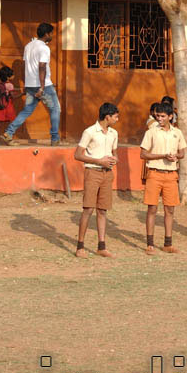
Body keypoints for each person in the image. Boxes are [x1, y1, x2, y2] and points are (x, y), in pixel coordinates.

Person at [2, 22, 61, 146]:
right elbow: (42, 66)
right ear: (46, 34)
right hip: (43, 85)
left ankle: (9, 132)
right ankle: (55, 138)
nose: (52, 36)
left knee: (27, 110)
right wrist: (42, 87)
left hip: (30, 85)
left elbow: (26, 66)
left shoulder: (28, 46)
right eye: (51, 33)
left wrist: (28, 84)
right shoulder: (44, 48)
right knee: (55, 109)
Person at [73, 102, 120, 258]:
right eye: (115, 116)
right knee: (88, 209)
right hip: (93, 172)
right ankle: (80, 246)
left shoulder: (114, 133)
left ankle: (101, 246)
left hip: (107, 173)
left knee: (102, 210)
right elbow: (78, 154)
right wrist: (99, 161)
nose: (117, 119)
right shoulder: (90, 132)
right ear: (107, 117)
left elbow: (114, 152)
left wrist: (114, 159)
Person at [139, 101, 186, 255]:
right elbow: (143, 154)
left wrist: (175, 157)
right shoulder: (151, 132)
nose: (159, 118)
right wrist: (162, 155)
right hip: (154, 172)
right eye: (157, 115)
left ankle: (168, 243)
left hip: (171, 174)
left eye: (163, 116)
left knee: (170, 209)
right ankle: (150, 243)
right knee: (152, 208)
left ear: (170, 117)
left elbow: (182, 153)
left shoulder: (177, 133)